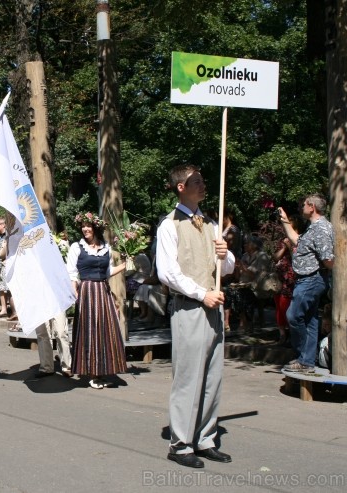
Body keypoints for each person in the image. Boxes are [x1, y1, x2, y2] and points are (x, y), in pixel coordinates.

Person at [156, 165, 235, 468]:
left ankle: (204, 438)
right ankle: (180, 443)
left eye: (203, 181)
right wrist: (201, 294)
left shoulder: (211, 223)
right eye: (197, 182)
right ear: (180, 187)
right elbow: (168, 272)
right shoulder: (169, 225)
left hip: (214, 307)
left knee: (213, 376)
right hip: (190, 307)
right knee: (189, 377)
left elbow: (226, 269)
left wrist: (225, 254)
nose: (203, 186)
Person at [66, 212, 127, 389]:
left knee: (105, 331)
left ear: (95, 228)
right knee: (90, 330)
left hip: (103, 290)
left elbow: (107, 272)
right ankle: (92, 373)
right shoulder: (77, 247)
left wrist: (124, 265)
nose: (85, 229)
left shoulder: (106, 247)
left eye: (88, 226)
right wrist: (75, 291)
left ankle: (102, 371)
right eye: (83, 226)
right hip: (87, 290)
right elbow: (71, 273)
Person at [279, 194, 334, 373]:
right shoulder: (313, 228)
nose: (301, 207)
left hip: (312, 278)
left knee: (294, 315)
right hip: (307, 279)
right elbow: (296, 240)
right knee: (309, 321)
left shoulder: (321, 228)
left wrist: (328, 275)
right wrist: (285, 221)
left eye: (304, 204)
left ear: (311, 206)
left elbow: (328, 258)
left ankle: (304, 356)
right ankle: (307, 362)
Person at [273, 237, 296, 345]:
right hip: (279, 279)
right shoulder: (282, 241)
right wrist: (284, 248)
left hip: (291, 280)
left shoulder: (298, 240)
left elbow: (297, 259)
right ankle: (282, 334)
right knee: (279, 308)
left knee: (286, 307)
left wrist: (290, 248)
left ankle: (292, 335)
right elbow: (275, 257)